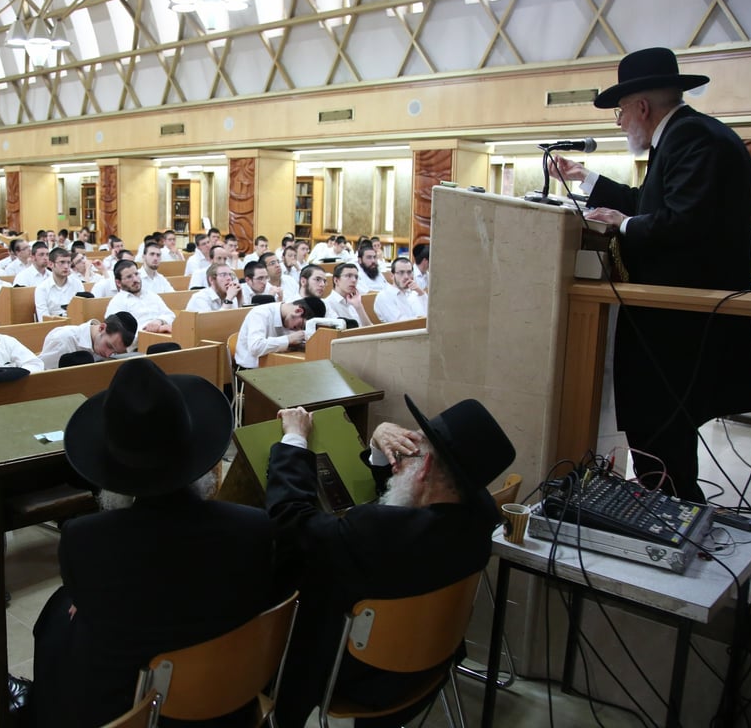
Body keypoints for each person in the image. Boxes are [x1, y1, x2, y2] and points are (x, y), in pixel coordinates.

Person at [549, 47, 751, 503]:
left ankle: (674, 527)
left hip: (679, 328)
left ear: (642, 107)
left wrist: (622, 224)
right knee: (662, 445)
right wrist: (585, 178)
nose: (619, 121)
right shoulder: (686, 136)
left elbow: (681, 223)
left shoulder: (693, 140)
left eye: (622, 111)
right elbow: (652, 204)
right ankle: (672, 520)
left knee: (661, 446)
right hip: (676, 328)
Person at [30, 357, 278, 727]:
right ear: (198, 457)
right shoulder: (254, 526)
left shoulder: (85, 540)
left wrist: (87, 598)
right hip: (228, 703)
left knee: (57, 615)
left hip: (134, 710)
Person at [265, 396, 514, 727]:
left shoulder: (372, 531)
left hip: (358, 677)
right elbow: (408, 517)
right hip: (430, 668)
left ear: (424, 467)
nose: (403, 458)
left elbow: (292, 521)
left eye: (414, 448)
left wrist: (295, 439)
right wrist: (380, 450)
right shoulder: (477, 523)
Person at [234, 296, 325, 369]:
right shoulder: (260, 313)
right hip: (249, 372)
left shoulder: (289, 317)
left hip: (275, 367)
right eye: (301, 325)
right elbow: (255, 347)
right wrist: (289, 339)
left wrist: (303, 345)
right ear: (298, 311)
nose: (298, 330)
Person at [38, 312, 137, 369]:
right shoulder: (63, 340)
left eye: (114, 352)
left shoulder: (102, 344)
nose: (108, 355)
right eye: (109, 346)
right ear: (102, 328)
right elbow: (42, 376)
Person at [105, 259, 175, 335]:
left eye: (136, 274)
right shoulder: (117, 302)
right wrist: (156, 329)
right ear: (118, 283)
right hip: (140, 344)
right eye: (129, 277)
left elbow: (170, 315)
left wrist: (159, 321)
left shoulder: (151, 295)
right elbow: (119, 335)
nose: (135, 279)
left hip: (165, 336)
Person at [34, 247, 82, 320]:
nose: (66, 266)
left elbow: (82, 311)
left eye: (68, 263)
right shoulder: (42, 289)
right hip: (53, 328)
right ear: (50, 264)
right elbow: (43, 319)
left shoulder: (77, 283)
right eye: (62, 262)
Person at [374, 257, 427, 322]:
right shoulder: (384, 296)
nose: (406, 277)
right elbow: (399, 323)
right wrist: (420, 318)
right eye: (401, 272)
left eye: (409, 272)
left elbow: (430, 315)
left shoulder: (414, 293)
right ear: (392, 276)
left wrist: (421, 293)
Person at [325, 262, 371, 326]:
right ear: (336, 280)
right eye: (348, 276)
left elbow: (369, 329)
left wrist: (359, 307)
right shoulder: (327, 304)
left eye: (356, 277)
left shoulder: (354, 302)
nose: (354, 280)